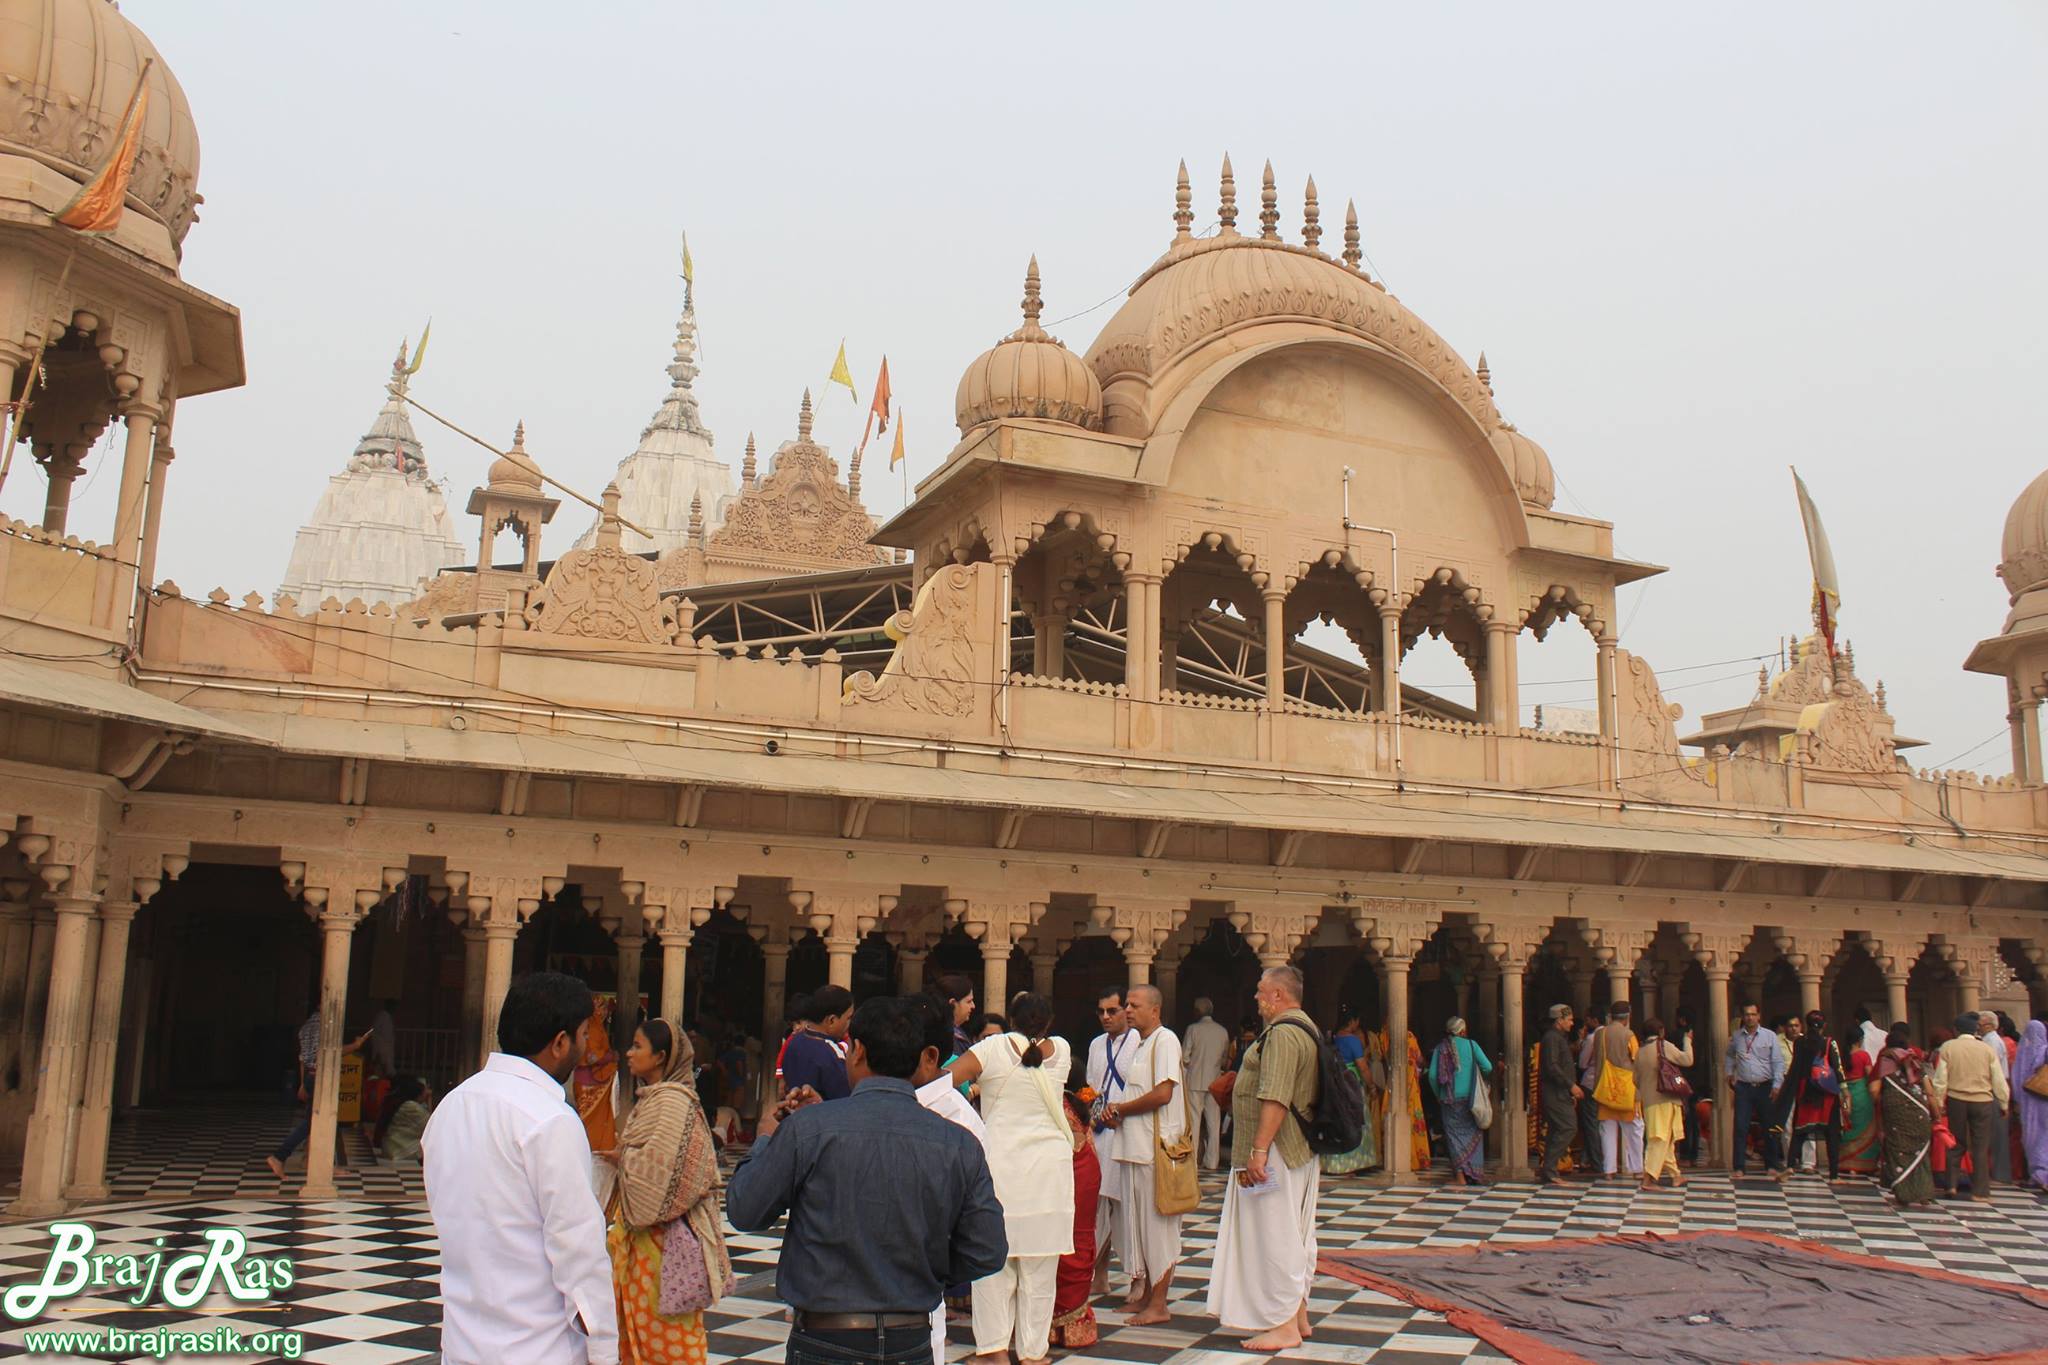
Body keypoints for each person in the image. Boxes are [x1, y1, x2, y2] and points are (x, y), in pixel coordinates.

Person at [727, 996, 1007, 1365]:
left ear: (856, 1051)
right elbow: (987, 1250)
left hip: (826, 1337)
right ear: (926, 1056)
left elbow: (746, 1210)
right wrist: (927, 1267)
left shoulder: (808, 1130)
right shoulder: (958, 1141)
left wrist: (765, 1137)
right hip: (910, 1336)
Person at [424, 971, 619, 1364]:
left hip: (463, 1346)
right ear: (560, 1043)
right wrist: (603, 1350)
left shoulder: (450, 1107)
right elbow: (579, 1254)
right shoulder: (549, 1121)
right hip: (538, 1349)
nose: (586, 1047)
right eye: (583, 1036)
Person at [947, 992, 1074, 1365]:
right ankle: (1034, 1354)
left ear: (1012, 1019)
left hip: (1001, 1167)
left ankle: (993, 1350)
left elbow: (945, 1080)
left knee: (992, 1265)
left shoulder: (993, 1047)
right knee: (1040, 1268)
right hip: (1050, 1170)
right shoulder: (1062, 1049)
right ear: (1048, 1022)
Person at [604, 1018, 733, 1364]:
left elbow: (667, 1177)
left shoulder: (673, 1104)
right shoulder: (654, 1099)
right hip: (643, 1245)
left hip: (662, 1247)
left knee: (667, 1341)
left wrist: (625, 1158)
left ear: (660, 1057)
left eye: (637, 1046)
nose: (628, 1053)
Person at [1209, 966, 1321, 1353]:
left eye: (1261, 991)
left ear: (1278, 995)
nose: (1256, 998)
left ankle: (1284, 1323)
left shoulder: (1284, 1034)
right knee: (1294, 1232)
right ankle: (1298, 1314)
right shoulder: (1303, 1028)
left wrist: (1258, 1151)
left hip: (1276, 1150)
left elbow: (1275, 1095)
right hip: (1289, 1149)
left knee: (1274, 1235)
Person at [1098, 984, 1186, 1325]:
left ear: (1155, 1010)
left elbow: (1163, 1093)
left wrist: (1122, 1108)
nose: (1128, 1010)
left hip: (1156, 1150)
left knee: (1158, 1229)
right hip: (1134, 1148)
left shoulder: (1165, 1040)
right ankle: (1147, 1294)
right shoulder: (1142, 1044)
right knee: (1139, 1228)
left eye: (1135, 1005)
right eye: (1128, 1005)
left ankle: (1159, 1304)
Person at [908, 994, 987, 1365]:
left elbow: (982, 1234)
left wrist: (932, 1265)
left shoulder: (960, 1123)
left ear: (929, 1056)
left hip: (918, 1299)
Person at [265, 1005, 372, 1181]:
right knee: (317, 1122)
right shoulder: (326, 1025)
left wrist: (302, 1084)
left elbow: (303, 1058)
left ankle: (312, 1161)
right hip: (320, 1078)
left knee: (314, 1122)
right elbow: (329, 1052)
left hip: (310, 1076)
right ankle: (280, 1156)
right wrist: (356, 1045)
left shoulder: (307, 1026)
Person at [1083, 987, 1131, 1296]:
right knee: (1096, 1206)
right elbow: (1089, 1086)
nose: (1105, 1017)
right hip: (1099, 1132)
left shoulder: (1140, 1042)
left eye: (1111, 1011)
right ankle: (1098, 1274)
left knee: (1125, 1207)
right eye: (1101, 1011)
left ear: (1126, 1010)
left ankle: (1137, 1279)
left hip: (1128, 1131)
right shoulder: (1096, 1044)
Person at [1048, 1087, 1102, 1350]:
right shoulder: (1066, 1102)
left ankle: (1061, 1322)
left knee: (1070, 1244)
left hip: (1074, 1174)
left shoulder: (1055, 1102)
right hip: (1077, 1170)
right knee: (1068, 1243)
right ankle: (1060, 1323)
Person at [1936, 1014, 2011, 1201]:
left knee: (1956, 1143)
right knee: (1980, 1146)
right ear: (1975, 1030)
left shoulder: (1948, 1047)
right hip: (1982, 1101)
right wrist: (2004, 1103)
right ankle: (1980, 1192)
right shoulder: (1986, 1049)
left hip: (1957, 1099)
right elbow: (1998, 1079)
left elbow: (1940, 1079)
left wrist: (1938, 1102)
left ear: (1956, 1030)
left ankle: (1951, 1185)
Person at [1777, 1010, 1848, 1183]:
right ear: (1824, 1025)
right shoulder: (1829, 1042)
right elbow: (1837, 1068)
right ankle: (1833, 1175)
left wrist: (1788, 1091)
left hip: (1806, 1091)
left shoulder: (1800, 1042)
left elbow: (1796, 1068)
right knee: (1831, 1133)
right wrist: (1844, 1091)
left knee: (1799, 1131)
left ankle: (1790, 1166)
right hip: (1826, 1094)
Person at [1874, 1023, 1938, 1207]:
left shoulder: (1885, 1061)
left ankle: (1903, 1194)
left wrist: (1880, 1105)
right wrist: (1936, 1115)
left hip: (1896, 1114)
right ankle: (1924, 1193)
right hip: (1920, 1111)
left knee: (1899, 1152)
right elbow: (1929, 1091)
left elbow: (1874, 1089)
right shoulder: (1915, 1060)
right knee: (1921, 1153)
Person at [1426, 1017, 1493, 1185]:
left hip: (1449, 1100)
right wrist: (1480, 1079)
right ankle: (1475, 1173)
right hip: (1470, 1098)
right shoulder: (1472, 1045)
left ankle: (1461, 1177)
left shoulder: (1440, 1048)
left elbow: (1433, 1075)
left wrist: (1438, 1094)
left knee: (1453, 1137)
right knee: (1473, 1135)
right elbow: (1488, 1066)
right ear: (1463, 1031)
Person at [1725, 1004, 1785, 1175]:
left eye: (1753, 1014)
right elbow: (1729, 1054)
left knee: (1769, 1126)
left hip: (1765, 1085)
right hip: (1744, 1086)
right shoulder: (1737, 1037)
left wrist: (1777, 1084)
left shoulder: (1769, 1036)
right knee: (1741, 1126)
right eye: (1746, 1014)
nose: (1750, 1018)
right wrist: (1729, 1073)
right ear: (1743, 1017)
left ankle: (1771, 1165)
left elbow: (1777, 1062)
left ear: (1759, 1016)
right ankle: (1739, 1166)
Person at [1319, 1009, 1380, 1177]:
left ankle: (1333, 1164)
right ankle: (1353, 1163)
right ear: (1352, 1021)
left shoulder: (1332, 1039)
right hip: (1351, 1085)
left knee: (1339, 1122)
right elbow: (1363, 1067)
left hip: (1335, 1086)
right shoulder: (1353, 1041)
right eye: (1356, 1021)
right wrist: (1372, 1086)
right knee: (1355, 1121)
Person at [1634, 1017, 1691, 1189]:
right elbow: (1687, 1060)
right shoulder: (1664, 1046)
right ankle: (1648, 1179)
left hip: (1649, 1101)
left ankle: (1675, 1175)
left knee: (1665, 1139)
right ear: (1660, 1031)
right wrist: (1687, 1041)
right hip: (1665, 1098)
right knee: (1659, 1139)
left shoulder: (1640, 1052)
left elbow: (1635, 1080)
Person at [1593, 1002, 1642, 1179]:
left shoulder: (1600, 1034)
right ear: (1627, 1016)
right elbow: (1637, 1060)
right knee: (1635, 1129)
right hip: (1626, 1088)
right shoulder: (1629, 1035)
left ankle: (1609, 1170)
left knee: (1607, 1129)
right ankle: (1637, 1169)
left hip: (1605, 1087)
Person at [781, 985, 855, 1102]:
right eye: (849, 1018)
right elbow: (845, 1101)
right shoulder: (832, 1053)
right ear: (832, 1020)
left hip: (794, 1115)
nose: (850, 1023)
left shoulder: (794, 1041)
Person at [1183, 997, 1231, 1171]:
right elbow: (1225, 1058)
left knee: (1194, 1122)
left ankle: (1193, 1160)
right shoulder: (1222, 1031)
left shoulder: (1193, 1029)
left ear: (1197, 1011)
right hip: (1215, 1082)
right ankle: (1212, 1161)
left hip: (1195, 1081)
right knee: (1214, 1122)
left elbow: (1184, 1056)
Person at [1536, 1004, 1581, 1184]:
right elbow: (1552, 1066)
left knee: (1557, 1130)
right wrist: (1571, 1086)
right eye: (1569, 1020)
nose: (1571, 1023)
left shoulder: (1558, 1038)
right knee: (1568, 1127)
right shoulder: (1552, 1038)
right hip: (1555, 1092)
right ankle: (1550, 1170)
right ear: (1559, 1020)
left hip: (1560, 1093)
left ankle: (1549, 1171)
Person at [576, 996, 623, 1157]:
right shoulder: (592, 1027)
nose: (604, 1012)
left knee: (600, 1121)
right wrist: (612, 1057)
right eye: (601, 1008)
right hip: (591, 1081)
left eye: (604, 1008)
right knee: (590, 1122)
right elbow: (591, 1057)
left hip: (596, 1080)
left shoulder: (596, 1026)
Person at [2014, 1018, 2048, 1190]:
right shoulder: (2043, 1050)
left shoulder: (2025, 1053)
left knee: (2033, 1137)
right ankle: (2040, 1174)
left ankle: (2040, 1174)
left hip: (2031, 1101)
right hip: (2041, 1099)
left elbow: (2017, 1078)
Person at [1839, 1037, 1880, 1176]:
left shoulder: (1842, 1055)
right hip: (1862, 1094)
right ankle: (1862, 1164)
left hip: (1845, 1094)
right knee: (1865, 1128)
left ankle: (1847, 1163)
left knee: (1849, 1126)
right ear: (1860, 1040)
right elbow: (1870, 1074)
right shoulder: (1863, 1055)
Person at [1672, 1007, 1704, 1164]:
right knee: (1693, 1119)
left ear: (1682, 1019)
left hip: (1680, 1081)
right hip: (1695, 1083)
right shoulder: (1699, 1037)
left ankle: (1684, 1154)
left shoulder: (1677, 1035)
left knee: (1684, 1118)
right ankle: (1692, 1155)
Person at [374, 1076, 431, 1163]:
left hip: (392, 1146)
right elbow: (430, 1127)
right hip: (402, 1149)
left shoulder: (400, 1103)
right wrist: (429, 1102)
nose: (427, 1093)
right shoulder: (411, 1107)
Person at [936, 974, 978, 1060]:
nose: (973, 1006)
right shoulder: (943, 1037)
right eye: (969, 1001)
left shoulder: (958, 1032)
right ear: (952, 1003)